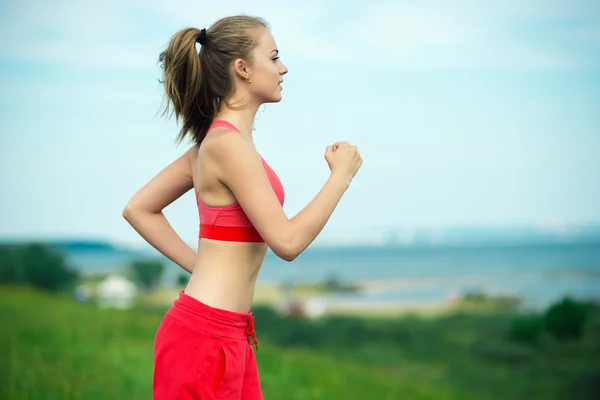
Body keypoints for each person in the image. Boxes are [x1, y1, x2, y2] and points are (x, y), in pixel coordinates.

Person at [122, 15, 362, 400]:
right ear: (243, 69)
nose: (283, 68)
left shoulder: (219, 145)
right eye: (274, 57)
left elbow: (139, 209)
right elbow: (286, 242)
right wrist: (340, 178)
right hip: (203, 338)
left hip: (230, 333)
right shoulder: (225, 145)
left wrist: (201, 267)